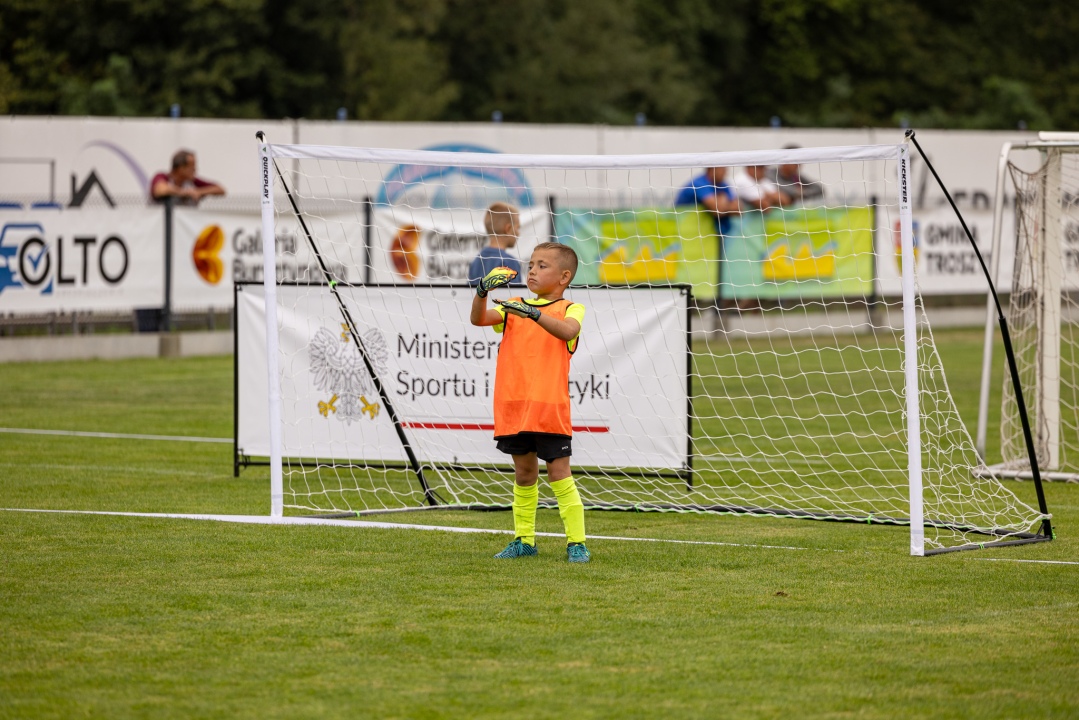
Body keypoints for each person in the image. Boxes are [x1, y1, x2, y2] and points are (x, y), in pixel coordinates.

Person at [469, 242, 590, 563]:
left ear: (564, 277)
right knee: (524, 474)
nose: (533, 270)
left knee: (559, 473)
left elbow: (567, 332)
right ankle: (524, 539)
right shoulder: (512, 306)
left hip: (549, 408)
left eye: (542, 265)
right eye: (531, 264)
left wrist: (534, 314)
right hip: (513, 407)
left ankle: (576, 543)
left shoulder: (569, 308)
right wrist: (481, 291)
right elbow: (478, 320)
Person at [674, 165, 740, 236]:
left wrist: (722, 203)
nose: (726, 172)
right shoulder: (699, 184)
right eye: (723, 169)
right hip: (689, 231)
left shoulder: (723, 185)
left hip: (715, 234)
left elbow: (738, 209)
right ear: (712, 169)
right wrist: (723, 201)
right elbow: (717, 209)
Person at [467, 202, 522, 285]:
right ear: (508, 229)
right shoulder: (509, 262)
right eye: (517, 228)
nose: (519, 233)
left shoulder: (477, 261)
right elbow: (514, 296)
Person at [150, 149, 226, 206]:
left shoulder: (192, 181)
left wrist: (199, 192)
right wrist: (185, 193)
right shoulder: (162, 176)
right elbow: (161, 190)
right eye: (191, 167)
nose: (195, 169)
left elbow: (220, 189)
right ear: (181, 168)